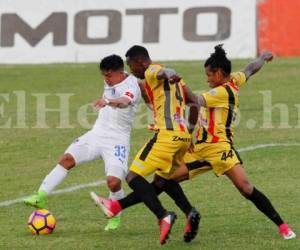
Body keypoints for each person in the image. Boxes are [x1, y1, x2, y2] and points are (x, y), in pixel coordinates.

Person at [99, 45, 296, 240]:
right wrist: (262, 57)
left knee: (246, 188)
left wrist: (180, 86)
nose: (207, 78)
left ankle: (283, 226)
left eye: (209, 75)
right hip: (198, 148)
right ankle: (183, 213)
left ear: (219, 73)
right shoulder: (234, 80)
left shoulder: (219, 93)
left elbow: (194, 100)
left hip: (220, 148)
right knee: (163, 180)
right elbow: (250, 69)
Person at [91, 45, 200, 245]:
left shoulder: (151, 71)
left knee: (132, 176)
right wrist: (189, 134)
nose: (131, 72)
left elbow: (160, 72)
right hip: (182, 138)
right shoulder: (174, 82)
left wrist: (170, 72)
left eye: (131, 66)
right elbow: (194, 102)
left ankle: (163, 216)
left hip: (166, 136)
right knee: (162, 181)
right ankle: (189, 211)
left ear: (140, 62)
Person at [24, 54, 141, 231]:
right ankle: (40, 195)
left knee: (114, 182)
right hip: (96, 134)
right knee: (67, 159)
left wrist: (108, 101)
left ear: (119, 73)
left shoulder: (131, 85)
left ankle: (114, 216)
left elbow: (125, 102)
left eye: (108, 76)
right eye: (103, 76)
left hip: (117, 141)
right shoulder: (114, 77)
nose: (106, 80)